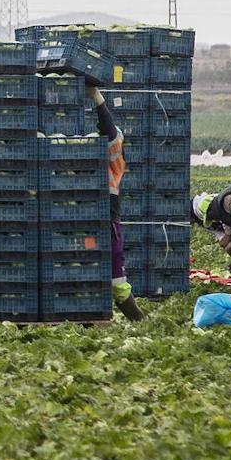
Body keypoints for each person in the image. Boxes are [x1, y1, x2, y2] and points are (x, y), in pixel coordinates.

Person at [87, 86, 145, 320]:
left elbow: (109, 129)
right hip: (90, 220)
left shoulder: (114, 156)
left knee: (116, 278)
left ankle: (139, 320)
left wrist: (97, 98)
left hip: (107, 221)